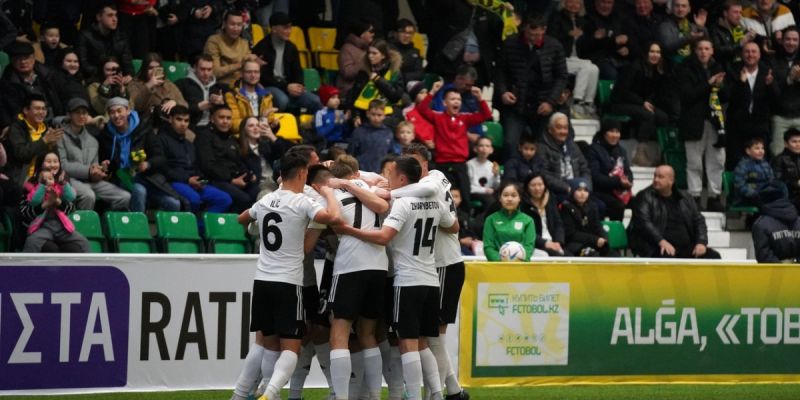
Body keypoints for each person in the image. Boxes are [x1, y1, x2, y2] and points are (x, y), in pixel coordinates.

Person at [335, 155, 458, 400]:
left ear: (402, 178)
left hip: (407, 280)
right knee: (422, 342)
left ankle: (414, 396)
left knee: (407, 342)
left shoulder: (402, 203)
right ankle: (436, 393)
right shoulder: (435, 200)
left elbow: (383, 237)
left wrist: (349, 230)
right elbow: (453, 226)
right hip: (431, 280)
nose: (388, 179)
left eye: (391, 174)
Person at [233, 151, 341, 400]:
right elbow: (333, 217)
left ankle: (241, 394)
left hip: (262, 281)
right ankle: (270, 393)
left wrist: (256, 224)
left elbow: (242, 218)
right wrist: (328, 194)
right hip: (289, 283)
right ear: (302, 173)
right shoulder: (303, 202)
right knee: (291, 346)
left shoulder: (266, 200)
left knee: (267, 344)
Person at [392, 143, 470, 400]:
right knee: (429, 336)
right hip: (430, 265)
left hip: (445, 262)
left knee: (435, 336)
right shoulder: (430, 181)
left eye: (415, 162)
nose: (411, 168)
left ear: (425, 164)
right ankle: (452, 390)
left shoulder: (432, 182)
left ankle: (442, 392)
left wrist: (391, 192)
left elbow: (453, 226)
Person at [324, 158, 391, 400]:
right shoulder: (371, 188)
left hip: (349, 266)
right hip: (378, 266)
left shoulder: (330, 193)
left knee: (339, 334)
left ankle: (341, 397)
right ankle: (374, 396)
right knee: (368, 334)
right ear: (355, 172)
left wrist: (333, 184)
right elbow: (383, 199)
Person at [495, 14, 568, 159]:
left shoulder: (555, 46)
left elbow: (561, 76)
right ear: (524, 29)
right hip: (516, 104)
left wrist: (550, 101)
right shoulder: (510, 44)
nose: (533, 38)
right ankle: (511, 172)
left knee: (543, 146)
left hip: (542, 104)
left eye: (537, 35)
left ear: (544, 30)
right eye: (529, 34)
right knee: (510, 143)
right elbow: (499, 72)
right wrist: (503, 92)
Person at [415, 81, 492, 211]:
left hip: (460, 164)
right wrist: (432, 92)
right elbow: (422, 109)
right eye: (452, 99)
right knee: (442, 197)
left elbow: (486, 115)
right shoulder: (438, 117)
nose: (456, 102)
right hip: (442, 164)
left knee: (465, 196)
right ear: (444, 103)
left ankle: (465, 220)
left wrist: (480, 98)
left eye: (458, 99)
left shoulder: (464, 118)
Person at [99, 97, 184, 212]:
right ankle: (138, 223)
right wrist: (105, 166)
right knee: (139, 190)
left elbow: (160, 157)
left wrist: (148, 164)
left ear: (128, 110)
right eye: (112, 112)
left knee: (174, 203)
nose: (116, 115)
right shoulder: (106, 135)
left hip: (147, 178)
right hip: (121, 178)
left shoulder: (144, 130)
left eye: (119, 111)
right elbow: (104, 163)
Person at [676, 38, 727, 211]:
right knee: (694, 163)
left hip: (716, 122)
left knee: (717, 161)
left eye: (707, 48)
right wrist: (708, 84)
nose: (703, 52)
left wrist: (720, 86)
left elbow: (726, 97)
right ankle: (694, 197)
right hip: (693, 121)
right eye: (700, 49)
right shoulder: (685, 69)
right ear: (695, 51)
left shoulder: (719, 68)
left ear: (712, 51)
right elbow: (687, 96)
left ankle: (714, 197)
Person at [608, 42, 678, 166]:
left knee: (663, 117)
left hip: (639, 104)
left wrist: (649, 101)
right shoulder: (634, 67)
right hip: (620, 102)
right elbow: (622, 91)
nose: (655, 55)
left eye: (658, 52)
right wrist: (642, 102)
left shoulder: (657, 71)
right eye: (652, 51)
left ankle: (658, 154)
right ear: (646, 53)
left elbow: (654, 93)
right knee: (648, 114)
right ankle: (640, 154)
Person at [628, 165, 721, 258]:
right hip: (656, 245)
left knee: (713, 256)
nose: (656, 179)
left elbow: (698, 220)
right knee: (667, 256)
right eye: (655, 176)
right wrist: (661, 241)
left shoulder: (685, 197)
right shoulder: (644, 196)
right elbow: (643, 223)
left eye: (660, 177)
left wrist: (701, 242)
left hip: (685, 246)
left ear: (671, 180)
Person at [153, 106, 233, 214]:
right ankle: (190, 224)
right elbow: (163, 168)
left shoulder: (189, 144)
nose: (183, 124)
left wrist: (200, 179)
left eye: (186, 121)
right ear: (170, 119)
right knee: (194, 199)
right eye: (179, 119)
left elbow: (196, 165)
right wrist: (187, 179)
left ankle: (201, 224)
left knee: (224, 199)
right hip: (173, 181)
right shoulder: (161, 140)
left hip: (193, 182)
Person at [57, 98, 130, 211]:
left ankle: (105, 220)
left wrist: (100, 170)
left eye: (84, 113)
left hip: (90, 181)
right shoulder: (59, 136)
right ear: (69, 115)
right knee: (89, 195)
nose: (81, 116)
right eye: (77, 113)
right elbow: (63, 165)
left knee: (125, 197)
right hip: (68, 180)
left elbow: (94, 168)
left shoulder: (93, 141)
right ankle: (80, 222)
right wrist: (89, 171)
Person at [252, 12, 321, 113]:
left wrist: (298, 86)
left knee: (315, 101)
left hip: (289, 86)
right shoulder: (262, 47)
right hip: (269, 87)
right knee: (282, 100)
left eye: (290, 28)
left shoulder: (291, 47)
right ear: (274, 29)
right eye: (285, 28)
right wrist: (286, 87)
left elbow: (297, 71)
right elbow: (264, 78)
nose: (289, 31)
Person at [196, 105, 260, 213]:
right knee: (243, 199)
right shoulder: (204, 137)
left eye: (228, 118)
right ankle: (231, 223)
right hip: (214, 180)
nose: (225, 121)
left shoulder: (231, 139)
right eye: (221, 117)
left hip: (233, 179)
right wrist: (231, 180)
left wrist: (248, 175)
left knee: (256, 192)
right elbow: (208, 165)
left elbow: (239, 161)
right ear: (212, 119)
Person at [21, 151, 89, 253]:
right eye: (48, 161)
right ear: (41, 164)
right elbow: (25, 212)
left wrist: (58, 201)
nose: (52, 165)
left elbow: (71, 207)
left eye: (55, 161)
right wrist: (46, 203)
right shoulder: (30, 183)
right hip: (40, 227)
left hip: (62, 227)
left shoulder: (63, 183)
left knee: (82, 243)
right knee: (42, 245)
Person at [725, 41, 778, 169]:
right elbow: (727, 96)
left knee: (760, 162)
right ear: (742, 54)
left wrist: (770, 85)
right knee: (736, 162)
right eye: (747, 51)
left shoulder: (767, 70)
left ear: (759, 55)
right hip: (738, 125)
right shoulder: (733, 69)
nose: (750, 55)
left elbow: (776, 99)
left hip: (760, 124)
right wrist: (741, 83)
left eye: (754, 51)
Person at [548, 0, 600, 119]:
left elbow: (588, 44)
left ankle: (588, 102)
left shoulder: (583, 20)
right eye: (571, 2)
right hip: (560, 58)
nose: (574, 5)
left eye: (577, 3)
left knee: (594, 68)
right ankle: (576, 101)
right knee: (586, 67)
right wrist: (568, 34)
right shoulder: (556, 17)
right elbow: (551, 38)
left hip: (577, 58)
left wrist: (591, 37)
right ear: (564, 3)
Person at [5, 94, 63, 187]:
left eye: (44, 109)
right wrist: (44, 141)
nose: (41, 112)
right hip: (20, 177)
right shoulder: (16, 128)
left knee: (65, 187)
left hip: (41, 175)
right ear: (26, 110)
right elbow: (22, 154)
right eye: (37, 108)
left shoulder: (46, 128)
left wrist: (52, 146)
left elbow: (52, 158)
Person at [345, 39, 406, 124]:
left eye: (374, 53)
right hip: (364, 115)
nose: (370, 56)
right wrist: (356, 115)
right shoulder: (364, 72)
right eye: (369, 53)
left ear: (383, 55)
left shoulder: (394, 72)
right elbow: (355, 95)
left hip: (387, 116)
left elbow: (395, 96)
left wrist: (378, 80)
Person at [586, 120, 633, 221]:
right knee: (618, 206)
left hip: (620, 190)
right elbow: (595, 176)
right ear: (604, 133)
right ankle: (613, 230)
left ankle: (631, 230)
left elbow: (628, 171)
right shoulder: (594, 150)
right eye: (611, 131)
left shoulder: (621, 150)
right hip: (601, 191)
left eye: (617, 132)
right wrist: (618, 181)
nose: (615, 135)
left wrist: (628, 181)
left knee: (639, 202)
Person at [536, 112, 591, 199]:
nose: (563, 131)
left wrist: (585, 185)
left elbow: (584, 168)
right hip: (557, 192)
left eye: (565, 128)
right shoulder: (542, 147)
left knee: (599, 204)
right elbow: (543, 174)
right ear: (550, 130)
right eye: (559, 128)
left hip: (578, 189)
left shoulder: (572, 145)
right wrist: (566, 188)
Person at [2, 41, 64, 117]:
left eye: (26, 58)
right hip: (27, 121)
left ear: (34, 58)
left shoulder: (49, 74)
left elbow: (66, 93)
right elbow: (13, 112)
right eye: (18, 59)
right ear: (12, 61)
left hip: (56, 118)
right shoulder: (6, 83)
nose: (23, 62)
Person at [77, 4, 134, 80]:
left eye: (116, 15)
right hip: (94, 79)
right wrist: (104, 74)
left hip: (117, 78)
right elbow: (83, 64)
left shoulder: (121, 37)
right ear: (99, 17)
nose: (115, 19)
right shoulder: (86, 36)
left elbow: (127, 62)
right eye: (110, 15)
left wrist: (129, 75)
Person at [577, 0, 633, 80]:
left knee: (633, 72)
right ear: (596, 2)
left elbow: (628, 39)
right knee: (612, 74)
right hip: (597, 59)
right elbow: (584, 48)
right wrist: (613, 41)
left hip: (617, 58)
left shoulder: (618, 19)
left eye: (609, 3)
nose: (606, 6)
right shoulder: (587, 20)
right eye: (603, 2)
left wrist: (627, 48)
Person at [560, 178, 615, 257]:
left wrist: (604, 238)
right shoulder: (566, 207)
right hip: (575, 245)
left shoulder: (592, 206)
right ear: (572, 191)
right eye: (579, 190)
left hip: (592, 242)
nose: (583, 193)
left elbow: (598, 226)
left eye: (585, 190)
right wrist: (595, 240)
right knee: (593, 256)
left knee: (613, 256)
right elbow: (571, 234)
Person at [482, 181, 536, 261]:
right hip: (497, 265)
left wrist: (518, 261)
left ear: (519, 198)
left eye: (513, 195)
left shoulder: (528, 221)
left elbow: (529, 247)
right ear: (500, 198)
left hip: (521, 265)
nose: (509, 199)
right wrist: (503, 261)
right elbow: (488, 247)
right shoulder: (491, 219)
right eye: (505, 195)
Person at [203, 10, 258, 87]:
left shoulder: (244, 43)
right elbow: (213, 73)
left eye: (239, 25)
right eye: (232, 24)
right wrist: (239, 65)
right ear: (224, 24)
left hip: (243, 85)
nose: (236, 29)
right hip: (221, 86)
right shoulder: (214, 41)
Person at [224, 59, 278, 135]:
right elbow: (234, 124)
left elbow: (270, 120)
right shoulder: (232, 95)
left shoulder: (266, 95)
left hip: (262, 136)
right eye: (249, 72)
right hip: (242, 138)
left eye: (256, 72)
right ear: (242, 74)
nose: (253, 75)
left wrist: (273, 125)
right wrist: (262, 119)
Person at [128, 53, 188, 120]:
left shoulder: (168, 84)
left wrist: (175, 103)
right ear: (145, 69)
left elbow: (185, 105)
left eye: (157, 68)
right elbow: (135, 106)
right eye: (150, 68)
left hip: (171, 121)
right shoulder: (134, 84)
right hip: (148, 122)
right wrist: (149, 85)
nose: (154, 71)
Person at [769, 27, 800, 156]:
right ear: (781, 41)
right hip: (779, 115)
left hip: (799, 114)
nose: (791, 42)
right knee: (777, 154)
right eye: (788, 39)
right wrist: (789, 79)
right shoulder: (773, 60)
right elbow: (772, 90)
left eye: (795, 40)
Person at [520, 173, 567, 256]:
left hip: (553, 242)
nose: (537, 188)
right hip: (536, 244)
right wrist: (544, 243)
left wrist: (558, 241)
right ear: (527, 187)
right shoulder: (523, 203)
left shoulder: (551, 199)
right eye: (533, 185)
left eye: (540, 185)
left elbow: (558, 223)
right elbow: (525, 231)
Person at [175, 54, 227, 129]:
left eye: (209, 69)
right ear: (195, 68)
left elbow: (227, 113)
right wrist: (198, 107)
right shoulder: (182, 84)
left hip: (213, 127)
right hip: (190, 126)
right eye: (202, 69)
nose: (206, 73)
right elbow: (176, 110)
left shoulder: (218, 87)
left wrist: (221, 103)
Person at [752, 182, 800, 262]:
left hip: (774, 270)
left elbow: (764, 257)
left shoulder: (760, 225)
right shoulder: (798, 221)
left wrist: (783, 265)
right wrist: (794, 262)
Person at [348, 99, 394, 173]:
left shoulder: (388, 133)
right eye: (373, 114)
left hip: (380, 173)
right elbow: (351, 154)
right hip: (361, 172)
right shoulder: (359, 131)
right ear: (368, 113)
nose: (376, 118)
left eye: (379, 115)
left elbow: (390, 155)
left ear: (384, 115)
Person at [710, 0, 756, 71]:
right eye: (735, 12)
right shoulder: (715, 29)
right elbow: (718, 51)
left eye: (740, 12)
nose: (739, 16)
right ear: (725, 13)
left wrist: (758, 40)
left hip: (743, 69)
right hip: (725, 70)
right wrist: (740, 44)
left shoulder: (743, 28)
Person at [337, 20, 375, 97]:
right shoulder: (346, 49)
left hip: (366, 88)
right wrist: (364, 62)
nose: (373, 34)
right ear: (362, 34)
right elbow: (347, 73)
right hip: (350, 90)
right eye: (371, 31)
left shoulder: (370, 48)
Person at [733, 137, 775, 207]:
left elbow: (771, 179)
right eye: (757, 148)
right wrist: (755, 194)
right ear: (748, 151)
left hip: (763, 194)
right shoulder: (743, 165)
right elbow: (740, 185)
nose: (761, 151)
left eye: (762, 148)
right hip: (748, 198)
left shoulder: (765, 163)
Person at [467, 137, 500, 209]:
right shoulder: (469, 164)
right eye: (481, 145)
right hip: (475, 193)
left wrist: (496, 175)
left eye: (487, 146)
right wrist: (484, 190)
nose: (484, 148)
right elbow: (467, 187)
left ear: (491, 150)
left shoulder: (492, 165)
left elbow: (496, 187)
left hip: (489, 193)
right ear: (475, 148)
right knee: (490, 201)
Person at [772, 128, 800, 210]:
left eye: (799, 141)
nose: (798, 144)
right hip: (788, 196)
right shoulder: (779, 160)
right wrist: (796, 183)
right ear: (786, 144)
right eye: (794, 142)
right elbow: (777, 182)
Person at [390, 18, 424, 84]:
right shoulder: (389, 49)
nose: (407, 35)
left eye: (410, 33)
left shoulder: (415, 52)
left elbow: (420, 74)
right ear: (396, 33)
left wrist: (401, 77)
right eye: (403, 32)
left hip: (409, 85)